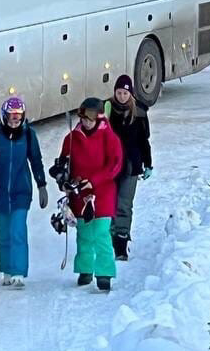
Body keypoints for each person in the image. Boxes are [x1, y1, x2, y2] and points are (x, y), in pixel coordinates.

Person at [56, 97, 123, 292]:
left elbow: (115, 165)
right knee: (84, 233)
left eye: (89, 119)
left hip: (102, 192)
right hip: (79, 194)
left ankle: (104, 273)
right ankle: (85, 268)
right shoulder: (71, 138)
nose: (85, 122)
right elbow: (64, 161)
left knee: (101, 233)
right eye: (83, 118)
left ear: (99, 118)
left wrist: (94, 180)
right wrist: (63, 177)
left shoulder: (110, 138)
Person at [0, 96, 47, 288]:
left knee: (17, 230)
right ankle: (7, 269)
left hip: (21, 191)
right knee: (3, 234)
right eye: (11, 115)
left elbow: (36, 159)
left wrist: (41, 184)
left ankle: (19, 271)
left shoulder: (28, 135)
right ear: (4, 116)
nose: (15, 119)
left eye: (18, 116)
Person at [105, 74, 153, 261]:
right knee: (109, 204)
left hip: (131, 166)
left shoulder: (139, 112)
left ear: (130, 94)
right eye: (119, 92)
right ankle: (108, 239)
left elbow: (144, 141)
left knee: (124, 205)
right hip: (110, 166)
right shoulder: (107, 110)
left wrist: (148, 163)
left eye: (125, 93)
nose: (122, 96)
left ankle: (121, 243)